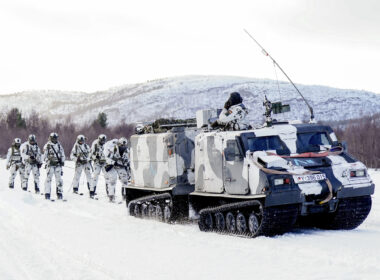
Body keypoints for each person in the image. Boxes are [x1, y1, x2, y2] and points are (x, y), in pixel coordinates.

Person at [104, 137, 130, 202]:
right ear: (118, 144)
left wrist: (127, 164)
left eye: (124, 145)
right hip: (112, 166)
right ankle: (111, 197)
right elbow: (107, 158)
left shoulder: (126, 150)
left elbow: (128, 160)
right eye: (121, 145)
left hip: (121, 166)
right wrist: (113, 162)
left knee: (125, 181)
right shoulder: (113, 149)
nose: (123, 146)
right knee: (112, 181)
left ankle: (124, 197)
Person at [42, 132, 65, 200]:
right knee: (48, 179)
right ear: (50, 138)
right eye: (53, 138)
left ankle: (59, 193)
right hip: (50, 165)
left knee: (59, 180)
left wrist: (62, 161)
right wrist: (48, 161)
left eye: (56, 138)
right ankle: (47, 193)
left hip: (58, 165)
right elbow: (44, 156)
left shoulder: (59, 146)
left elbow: (62, 154)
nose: (55, 140)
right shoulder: (47, 146)